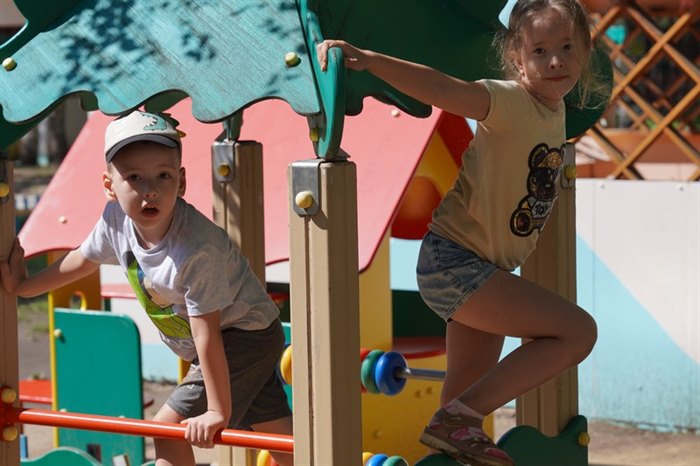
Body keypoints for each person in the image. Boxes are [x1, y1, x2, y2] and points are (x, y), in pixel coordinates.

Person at [318, 1, 601, 465]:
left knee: (460, 415)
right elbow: (444, 89)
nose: (555, 60)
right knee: (577, 332)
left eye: (567, 47)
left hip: (480, 266)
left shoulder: (553, 114)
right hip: (457, 263)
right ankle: (458, 419)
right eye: (540, 51)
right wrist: (371, 61)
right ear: (517, 60)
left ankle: (454, 431)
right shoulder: (510, 101)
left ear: (586, 51)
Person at [1, 111, 293, 466]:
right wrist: (25, 287)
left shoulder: (196, 249)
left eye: (163, 176)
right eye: (134, 177)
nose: (150, 190)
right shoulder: (115, 221)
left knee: (166, 430)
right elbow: (82, 259)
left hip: (243, 334)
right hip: (241, 336)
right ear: (110, 186)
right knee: (277, 434)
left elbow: (206, 333)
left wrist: (217, 411)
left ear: (181, 182)